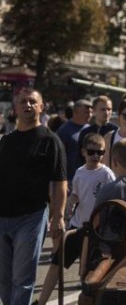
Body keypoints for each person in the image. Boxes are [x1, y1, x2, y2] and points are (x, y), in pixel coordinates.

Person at [0, 89, 66, 305]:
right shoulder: (6, 141)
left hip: (31, 217)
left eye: (32, 101)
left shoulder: (50, 141)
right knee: (4, 280)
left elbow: (59, 182)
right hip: (2, 216)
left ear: (41, 107)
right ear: (15, 108)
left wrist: (58, 215)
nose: (28, 105)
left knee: (22, 279)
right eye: (23, 102)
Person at [36, 132, 115, 305]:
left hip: (96, 230)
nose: (96, 156)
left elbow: (110, 201)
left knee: (87, 272)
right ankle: (40, 301)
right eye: (92, 152)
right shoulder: (79, 172)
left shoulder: (106, 174)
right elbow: (77, 195)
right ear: (83, 152)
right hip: (78, 226)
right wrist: (69, 204)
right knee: (57, 263)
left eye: (100, 153)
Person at [56, 98, 93, 184]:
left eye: (91, 112)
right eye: (86, 112)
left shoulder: (89, 129)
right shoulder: (64, 131)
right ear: (75, 112)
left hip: (87, 179)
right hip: (70, 180)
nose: (90, 115)